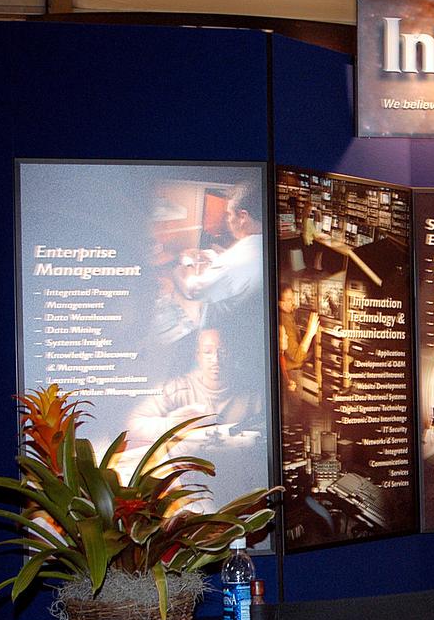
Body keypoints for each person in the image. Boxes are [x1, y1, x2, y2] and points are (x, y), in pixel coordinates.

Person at [127, 328, 262, 442]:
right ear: (198, 356)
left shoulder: (253, 395)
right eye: (207, 352)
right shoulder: (177, 389)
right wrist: (173, 424)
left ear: (232, 355)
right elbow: (132, 424)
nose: (215, 359)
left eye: (223, 352)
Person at [182, 180, 264, 317]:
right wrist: (216, 256)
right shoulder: (262, 243)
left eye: (229, 214)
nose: (228, 220)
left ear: (243, 217)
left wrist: (187, 262)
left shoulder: (233, 261)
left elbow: (193, 290)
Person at [278, 286, 319, 393]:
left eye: (293, 298)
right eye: (289, 300)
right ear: (281, 304)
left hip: (291, 372)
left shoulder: (287, 315)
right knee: (295, 407)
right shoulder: (285, 322)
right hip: (292, 375)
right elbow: (297, 356)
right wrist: (310, 333)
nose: (293, 302)